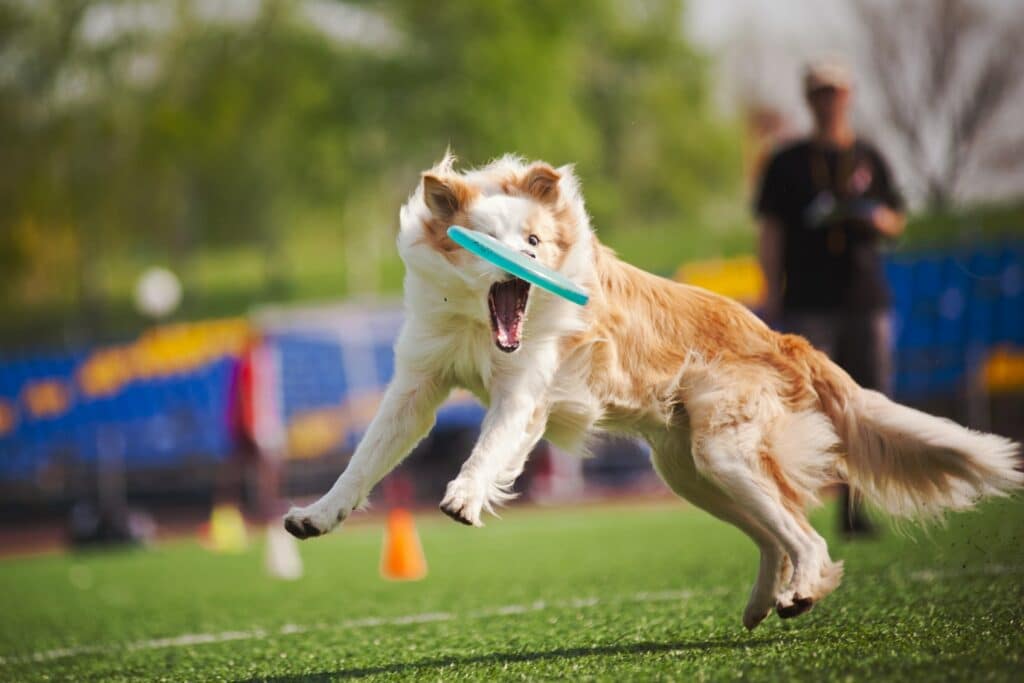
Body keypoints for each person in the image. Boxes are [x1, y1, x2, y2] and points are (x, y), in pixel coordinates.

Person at [754, 57, 906, 537]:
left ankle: (855, 509)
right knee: (807, 404)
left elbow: (896, 218)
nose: (827, 100)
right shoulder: (787, 163)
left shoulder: (868, 157)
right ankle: (796, 506)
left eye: (834, 91)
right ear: (808, 98)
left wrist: (871, 217)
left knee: (864, 405)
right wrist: (769, 291)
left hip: (864, 298)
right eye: (818, 92)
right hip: (806, 299)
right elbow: (771, 231)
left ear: (848, 94)